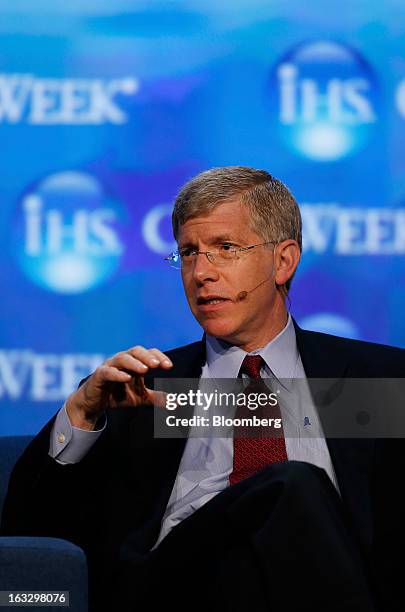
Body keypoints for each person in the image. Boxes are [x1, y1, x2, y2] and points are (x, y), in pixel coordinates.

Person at [1, 167, 404, 612]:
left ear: (283, 261)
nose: (201, 273)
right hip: (174, 593)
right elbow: (28, 533)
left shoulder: (370, 380)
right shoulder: (147, 391)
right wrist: (81, 412)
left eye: (225, 249)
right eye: (188, 253)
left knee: (295, 495)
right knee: (291, 482)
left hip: (312, 585)